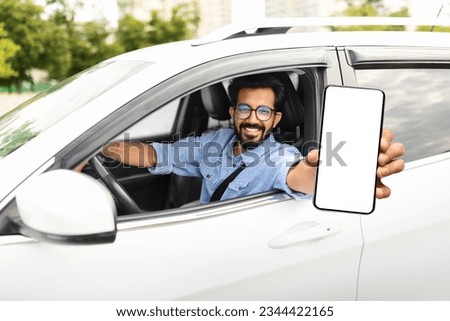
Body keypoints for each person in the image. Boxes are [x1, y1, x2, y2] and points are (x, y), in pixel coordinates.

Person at [102, 73, 405, 204]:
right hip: (203, 233)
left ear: (275, 119)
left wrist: (336, 173)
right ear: (233, 112)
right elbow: (155, 155)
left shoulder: (281, 157)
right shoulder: (214, 142)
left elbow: (301, 176)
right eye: (245, 109)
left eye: (263, 111)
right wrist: (99, 146)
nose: (252, 119)